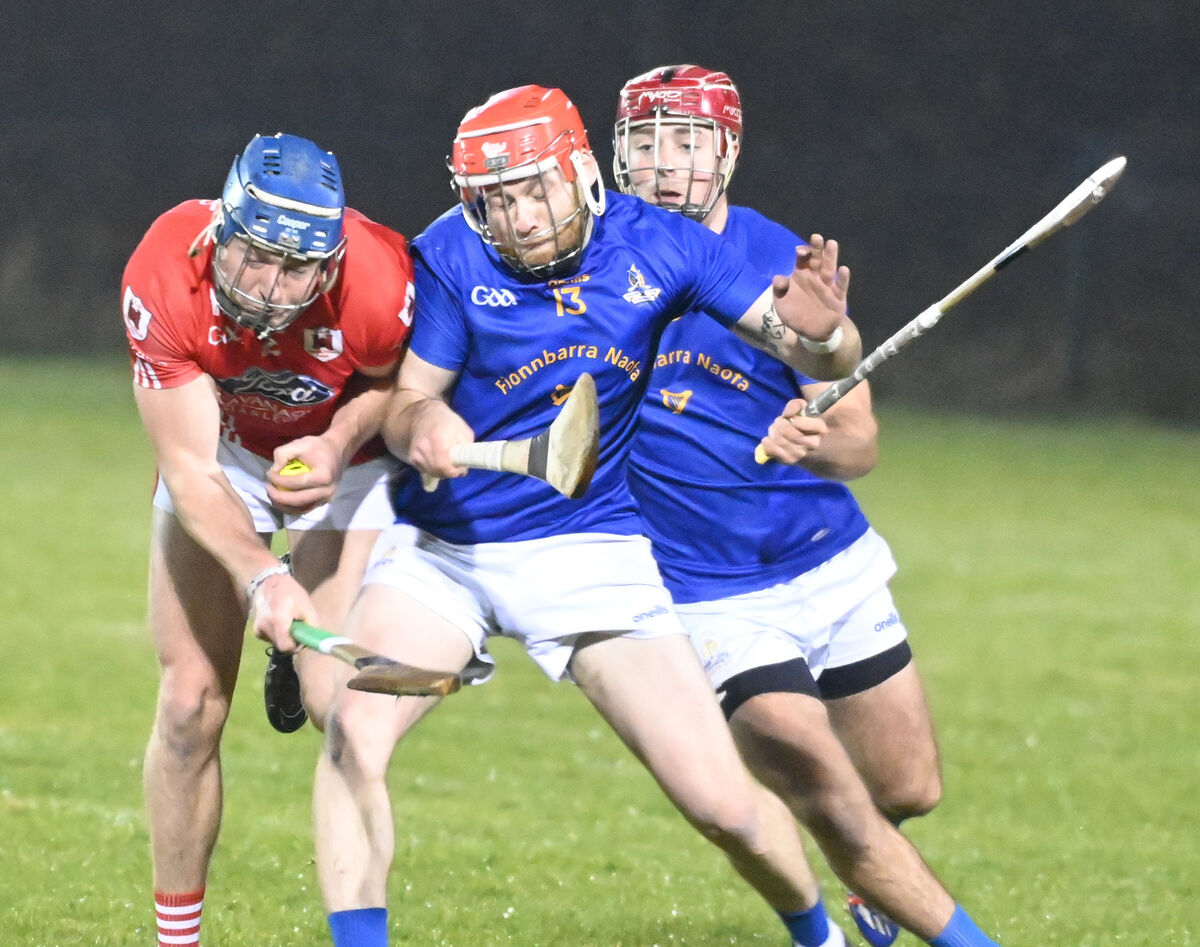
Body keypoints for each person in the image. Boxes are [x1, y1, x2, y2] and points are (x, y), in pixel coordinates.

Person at [311, 84, 867, 947]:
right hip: (448, 548)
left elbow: (815, 351)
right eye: (496, 200)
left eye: (535, 189)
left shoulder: (661, 244)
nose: (520, 217)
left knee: (724, 806)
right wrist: (423, 425)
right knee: (354, 727)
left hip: (589, 546)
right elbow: (408, 399)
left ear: (580, 173)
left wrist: (828, 338)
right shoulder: (451, 254)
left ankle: (817, 932)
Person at [613, 64, 988, 947]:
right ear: (617, 155)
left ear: (727, 152)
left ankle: (869, 872)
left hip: (824, 559)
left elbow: (861, 444)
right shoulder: (598, 266)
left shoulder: (777, 263)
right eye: (646, 142)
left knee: (906, 788)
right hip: (708, 592)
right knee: (820, 781)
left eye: (687, 141)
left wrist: (814, 439)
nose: (665, 164)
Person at [122, 132, 414, 947]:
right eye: (254, 255)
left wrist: (338, 440)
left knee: (337, 709)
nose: (267, 287)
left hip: (343, 462)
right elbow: (189, 469)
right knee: (189, 705)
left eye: (295, 269)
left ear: (331, 263)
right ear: (222, 229)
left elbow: (397, 382)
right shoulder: (163, 267)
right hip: (221, 454)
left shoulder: (380, 277)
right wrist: (260, 576)